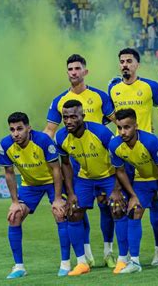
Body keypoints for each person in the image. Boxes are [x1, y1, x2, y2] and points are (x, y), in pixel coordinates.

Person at [44, 54, 115, 267]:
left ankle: (108, 252)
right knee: (77, 207)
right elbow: (49, 130)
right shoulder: (59, 101)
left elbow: (116, 122)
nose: (74, 72)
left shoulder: (100, 96)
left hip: (100, 160)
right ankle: (86, 255)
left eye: (77, 68)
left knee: (107, 206)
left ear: (85, 71)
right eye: (70, 69)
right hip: (74, 163)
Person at [108, 48, 158, 266]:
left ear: (137, 64)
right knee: (122, 206)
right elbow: (108, 115)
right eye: (122, 61)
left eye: (129, 61)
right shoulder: (113, 89)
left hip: (148, 151)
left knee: (157, 206)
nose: (125, 64)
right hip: (125, 155)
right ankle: (124, 256)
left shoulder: (150, 87)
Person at [109, 109, 158, 273]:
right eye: (119, 128)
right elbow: (119, 171)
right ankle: (134, 262)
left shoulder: (150, 141)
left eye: (127, 127)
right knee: (134, 211)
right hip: (142, 178)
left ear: (136, 126)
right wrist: (133, 195)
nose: (122, 132)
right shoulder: (115, 145)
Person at [0, 112, 66, 279]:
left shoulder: (42, 140)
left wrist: (57, 199)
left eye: (20, 129)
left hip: (52, 182)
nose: (16, 133)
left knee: (61, 213)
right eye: (12, 129)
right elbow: (9, 173)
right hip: (30, 186)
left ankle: (66, 263)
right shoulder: (6, 145)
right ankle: (19, 267)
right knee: (14, 216)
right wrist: (14, 202)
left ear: (29, 128)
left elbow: (57, 169)